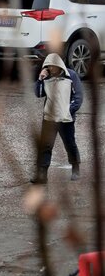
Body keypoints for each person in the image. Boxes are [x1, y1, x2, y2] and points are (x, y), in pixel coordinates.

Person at [31, 53, 83, 184]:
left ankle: (75, 168)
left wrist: (68, 111)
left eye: (52, 67)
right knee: (45, 146)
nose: (50, 69)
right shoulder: (46, 77)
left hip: (66, 119)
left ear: (59, 65)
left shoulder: (71, 76)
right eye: (48, 66)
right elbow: (39, 93)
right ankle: (42, 175)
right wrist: (40, 79)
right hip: (49, 118)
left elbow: (78, 97)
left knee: (69, 144)